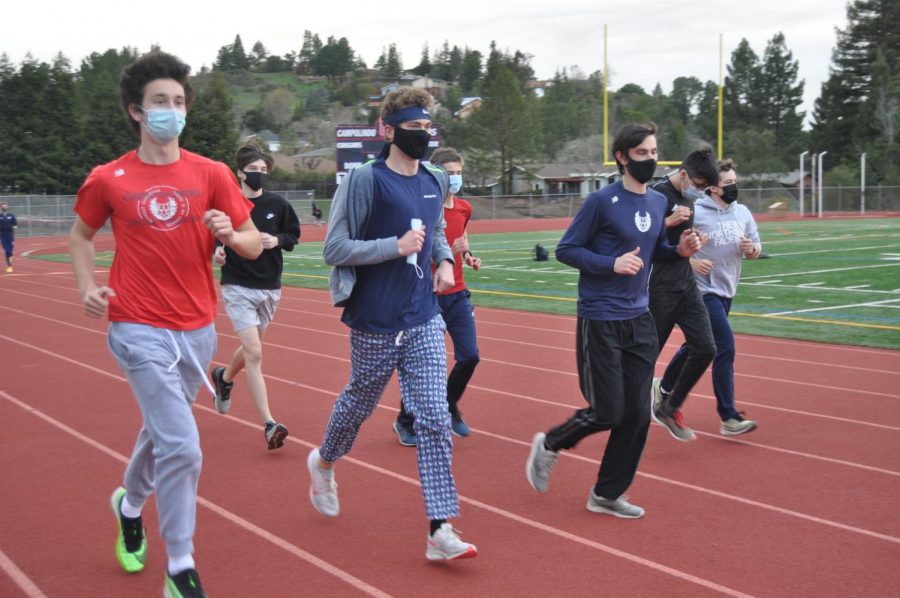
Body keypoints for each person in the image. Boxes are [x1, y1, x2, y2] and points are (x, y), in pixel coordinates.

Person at [69, 51, 262, 598]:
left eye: (178, 102)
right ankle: (181, 566)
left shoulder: (212, 173)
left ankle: (128, 503)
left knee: (162, 432)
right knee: (183, 445)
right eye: (159, 102)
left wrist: (229, 233)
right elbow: (80, 238)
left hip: (197, 330)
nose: (170, 111)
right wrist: (87, 287)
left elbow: (251, 242)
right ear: (136, 110)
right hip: (135, 327)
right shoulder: (110, 178)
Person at [308, 88, 477, 561]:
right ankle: (323, 462)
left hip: (423, 315)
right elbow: (334, 249)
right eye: (413, 126)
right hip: (375, 319)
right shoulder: (365, 181)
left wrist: (442, 258)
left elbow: (437, 229)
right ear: (387, 130)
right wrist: (395, 246)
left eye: (427, 127)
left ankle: (440, 529)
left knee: (434, 418)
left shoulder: (435, 179)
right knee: (358, 404)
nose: (422, 134)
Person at [525, 122, 702, 518]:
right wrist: (611, 263)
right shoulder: (601, 202)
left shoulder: (658, 203)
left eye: (655, 153)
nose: (651, 160)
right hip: (600, 317)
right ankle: (551, 444)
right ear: (622, 158)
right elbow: (566, 250)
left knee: (638, 415)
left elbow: (655, 249)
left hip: (639, 318)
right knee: (608, 411)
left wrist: (681, 251)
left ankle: (606, 494)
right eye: (642, 154)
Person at [210, 143, 301, 450]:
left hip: (270, 285)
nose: (259, 175)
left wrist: (276, 239)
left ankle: (224, 378)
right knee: (255, 353)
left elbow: (293, 236)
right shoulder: (226, 206)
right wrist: (218, 253)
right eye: (253, 170)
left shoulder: (278, 204)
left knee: (253, 349)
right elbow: (212, 240)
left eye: (264, 171)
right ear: (240, 172)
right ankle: (269, 423)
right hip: (237, 285)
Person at [660, 159, 759, 435]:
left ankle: (665, 386)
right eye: (728, 183)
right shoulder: (695, 211)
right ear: (713, 187)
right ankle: (728, 417)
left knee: (697, 345)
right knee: (724, 346)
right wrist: (691, 263)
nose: (733, 187)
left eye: (735, 182)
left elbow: (756, 246)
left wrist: (752, 249)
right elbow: (670, 246)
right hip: (701, 291)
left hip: (728, 289)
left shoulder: (743, 213)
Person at [393, 146, 482, 446]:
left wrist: (468, 255)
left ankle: (448, 403)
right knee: (423, 366)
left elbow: (461, 239)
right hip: (427, 294)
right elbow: (415, 247)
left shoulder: (465, 208)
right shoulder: (422, 206)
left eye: (458, 173)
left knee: (470, 356)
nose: (455, 179)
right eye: (449, 173)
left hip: (457, 293)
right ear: (435, 175)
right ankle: (405, 421)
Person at [647, 148, 720, 442]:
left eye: (705, 189)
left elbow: (681, 245)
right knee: (645, 357)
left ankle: (670, 406)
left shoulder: (688, 199)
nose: (701, 192)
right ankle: (622, 412)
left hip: (687, 286)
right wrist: (667, 222)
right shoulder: (655, 196)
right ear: (685, 174)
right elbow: (640, 237)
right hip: (659, 289)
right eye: (700, 185)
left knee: (706, 347)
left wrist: (695, 240)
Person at [0, 201, 17, 273]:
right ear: (1, 207)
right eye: (3, 206)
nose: (4, 207)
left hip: (10, 235)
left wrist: (14, 228)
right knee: (7, 250)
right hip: (2, 235)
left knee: (10, 252)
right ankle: (9, 265)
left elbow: (15, 225)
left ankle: (9, 262)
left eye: (5, 206)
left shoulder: (12, 216)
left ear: (8, 207)